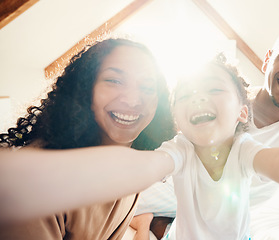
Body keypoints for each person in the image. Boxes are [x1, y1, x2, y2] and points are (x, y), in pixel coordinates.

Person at [1, 53, 279, 239]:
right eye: (186, 94)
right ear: (175, 116)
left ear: (241, 111)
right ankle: (149, 225)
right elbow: (140, 168)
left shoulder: (247, 149)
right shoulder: (179, 150)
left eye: (214, 90)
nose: (198, 99)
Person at [132, 19, 279, 240]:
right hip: (185, 187)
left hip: (243, 203)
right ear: (267, 59)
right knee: (129, 203)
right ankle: (148, 223)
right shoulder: (228, 107)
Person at [0, 38, 176, 240]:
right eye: (114, 81)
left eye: (147, 87)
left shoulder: (130, 171)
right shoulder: (37, 180)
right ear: (85, 88)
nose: (133, 100)